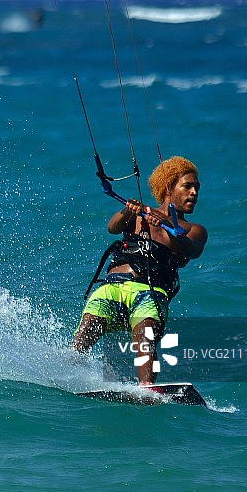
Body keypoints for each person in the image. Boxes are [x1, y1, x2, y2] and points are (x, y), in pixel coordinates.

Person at [71, 156, 207, 385]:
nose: (194, 192)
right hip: (114, 286)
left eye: (196, 188)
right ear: (168, 188)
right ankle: (70, 367)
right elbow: (112, 228)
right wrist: (129, 211)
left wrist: (165, 224)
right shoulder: (140, 214)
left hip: (150, 293)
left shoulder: (194, 229)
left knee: (145, 336)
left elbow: (189, 250)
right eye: (188, 186)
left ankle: (147, 388)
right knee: (88, 328)